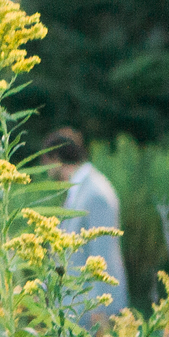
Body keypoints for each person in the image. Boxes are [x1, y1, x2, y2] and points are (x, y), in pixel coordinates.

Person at [44, 126, 127, 324]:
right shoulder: (79, 190)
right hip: (76, 312)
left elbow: (103, 254)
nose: (46, 169)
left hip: (91, 316)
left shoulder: (96, 194)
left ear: (56, 158)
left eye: (46, 161)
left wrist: (101, 311)